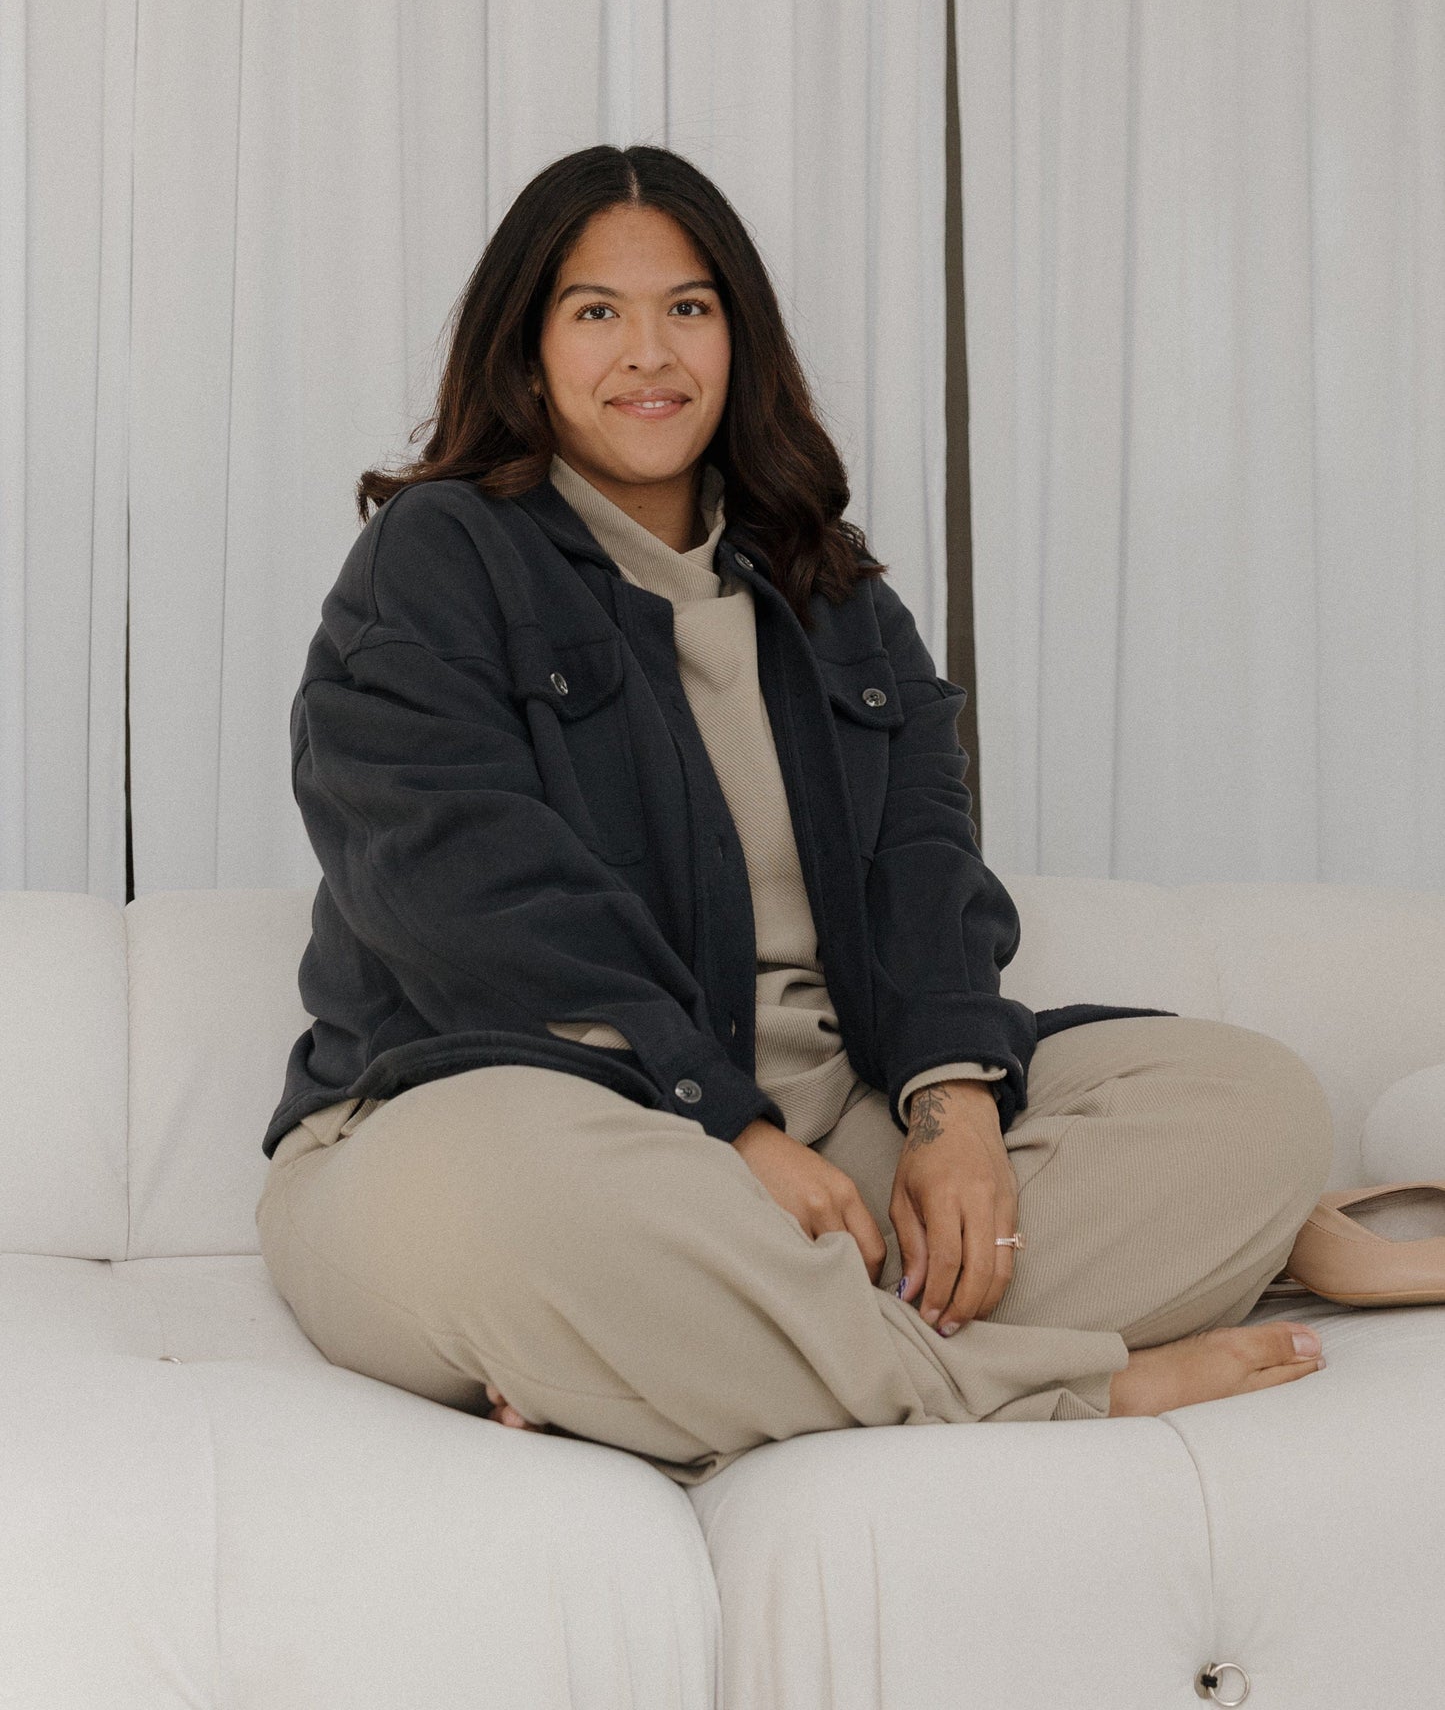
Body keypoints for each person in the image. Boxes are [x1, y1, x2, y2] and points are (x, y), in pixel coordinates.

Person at [256, 142, 1335, 1486]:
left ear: (738, 342)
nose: (648, 353)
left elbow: (922, 869)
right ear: (525, 356)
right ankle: (1050, 1390)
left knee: (1251, 1103)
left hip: (822, 1142)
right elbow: (469, 893)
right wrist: (725, 1127)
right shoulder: (435, 559)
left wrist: (951, 1111)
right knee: (503, 1208)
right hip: (516, 1124)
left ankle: (669, 1364)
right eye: (596, 312)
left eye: (688, 308)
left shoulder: (832, 588)